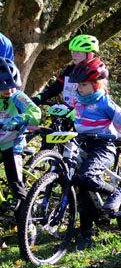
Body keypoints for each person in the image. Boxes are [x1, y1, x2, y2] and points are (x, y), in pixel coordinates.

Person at [69, 58, 121, 250]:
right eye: (78, 85)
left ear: (96, 84)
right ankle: (86, 233)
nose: (80, 88)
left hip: (104, 146)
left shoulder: (103, 102)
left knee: (85, 177)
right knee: (82, 188)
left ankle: (118, 192)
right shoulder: (77, 98)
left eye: (84, 85)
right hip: (84, 144)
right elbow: (76, 115)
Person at [0, 58, 41, 220]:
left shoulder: (17, 96)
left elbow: (35, 114)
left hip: (13, 143)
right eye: (4, 87)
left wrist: (19, 120)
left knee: (16, 185)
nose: (9, 90)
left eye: (12, 86)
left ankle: (26, 223)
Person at [32, 34, 98, 107]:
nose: (74, 55)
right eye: (73, 52)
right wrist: (40, 97)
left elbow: (98, 98)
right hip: (69, 111)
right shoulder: (70, 69)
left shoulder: (96, 72)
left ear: (90, 54)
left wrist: (81, 109)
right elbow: (56, 87)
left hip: (87, 115)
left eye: (78, 52)